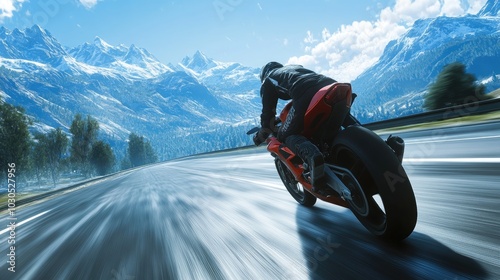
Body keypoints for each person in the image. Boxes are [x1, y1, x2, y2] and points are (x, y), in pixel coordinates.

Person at [253, 62, 337, 192]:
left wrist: (260, 135)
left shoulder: (268, 80)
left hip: (305, 92)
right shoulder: (293, 68)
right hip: (331, 85)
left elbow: (267, 115)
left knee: (285, 135)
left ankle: (313, 156)